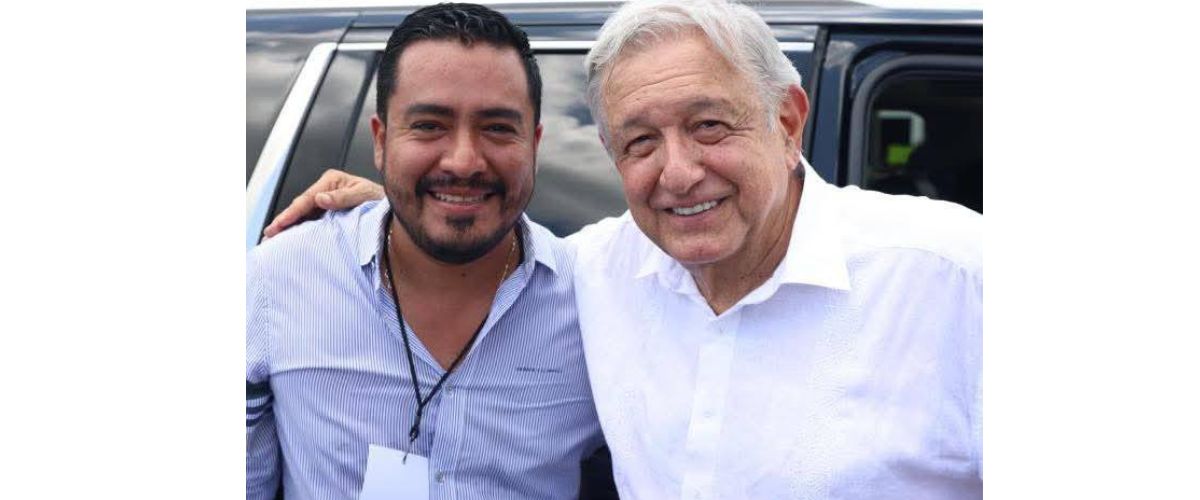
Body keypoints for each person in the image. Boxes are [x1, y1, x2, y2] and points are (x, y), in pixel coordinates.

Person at [269, 0, 982, 498]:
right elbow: (470, 234)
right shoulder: (592, 273)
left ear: (788, 122)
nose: (679, 172)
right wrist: (398, 203)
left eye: (709, 125)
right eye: (640, 142)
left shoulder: (958, 277)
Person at [246, 4, 604, 499]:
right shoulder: (277, 279)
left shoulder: (597, 303)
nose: (463, 161)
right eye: (430, 125)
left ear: (534, 144)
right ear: (380, 141)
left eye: (498, 128)